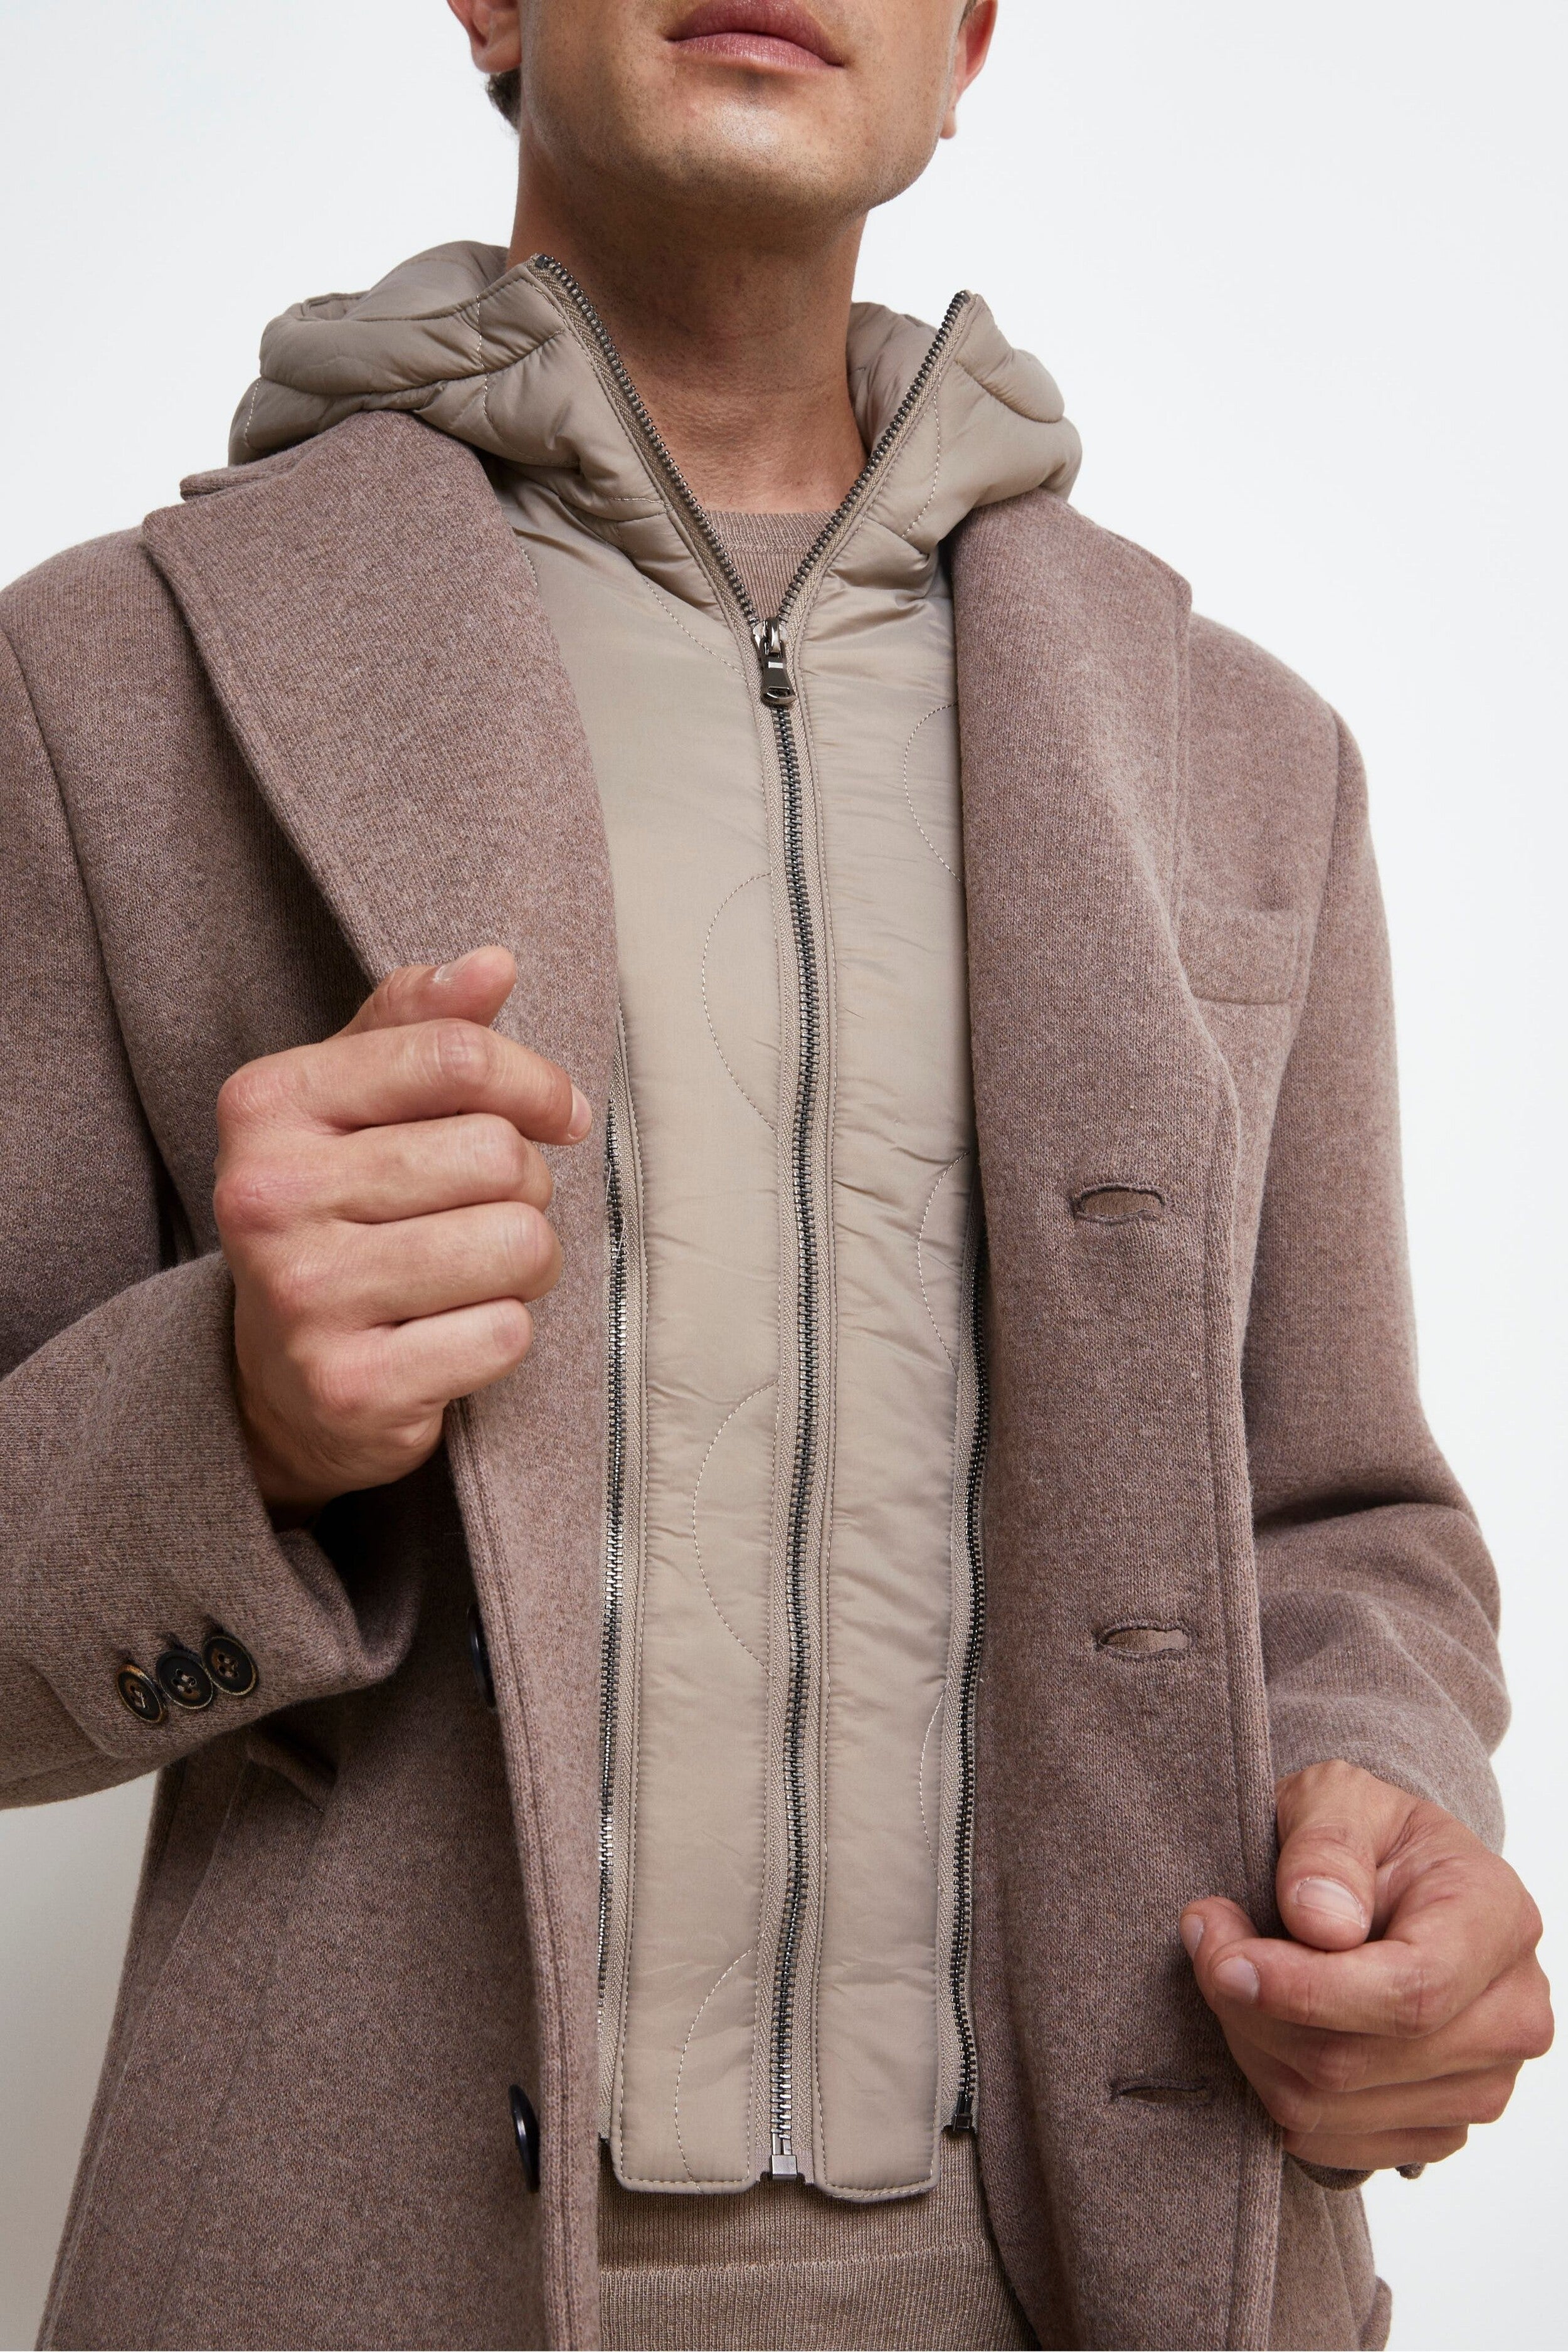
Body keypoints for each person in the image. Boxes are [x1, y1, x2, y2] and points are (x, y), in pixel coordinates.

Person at [0, 2, 1550, 2346]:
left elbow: (1340, 1519)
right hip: (363, 2271)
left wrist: (1386, 1806)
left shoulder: (1244, 754)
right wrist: (230, 1411)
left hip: (1107, 2267)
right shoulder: (97, 684)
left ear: (967, 38)